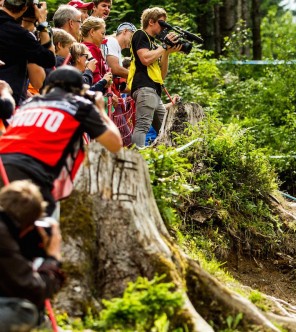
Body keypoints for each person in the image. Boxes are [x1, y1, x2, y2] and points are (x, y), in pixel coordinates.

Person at [0, 66, 122, 216]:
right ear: (80, 91)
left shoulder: (29, 103)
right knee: (48, 233)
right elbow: (115, 144)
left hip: (3, 164)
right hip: (33, 176)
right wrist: (100, 110)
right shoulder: (79, 106)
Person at [0, 180, 65, 332]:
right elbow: (34, 290)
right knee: (26, 313)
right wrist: (53, 259)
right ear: (28, 224)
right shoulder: (2, 235)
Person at [128, 7, 181, 147]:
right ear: (151, 22)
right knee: (142, 126)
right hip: (144, 88)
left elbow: (161, 75)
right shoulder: (140, 35)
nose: (163, 28)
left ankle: (168, 160)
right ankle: (137, 157)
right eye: (161, 23)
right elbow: (145, 59)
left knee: (166, 129)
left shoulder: (154, 45)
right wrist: (164, 46)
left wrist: (166, 52)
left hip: (154, 91)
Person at [0, 0, 55, 104]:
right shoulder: (21, 36)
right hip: (5, 102)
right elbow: (49, 60)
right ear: (24, 8)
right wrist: (43, 23)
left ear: (3, 2)